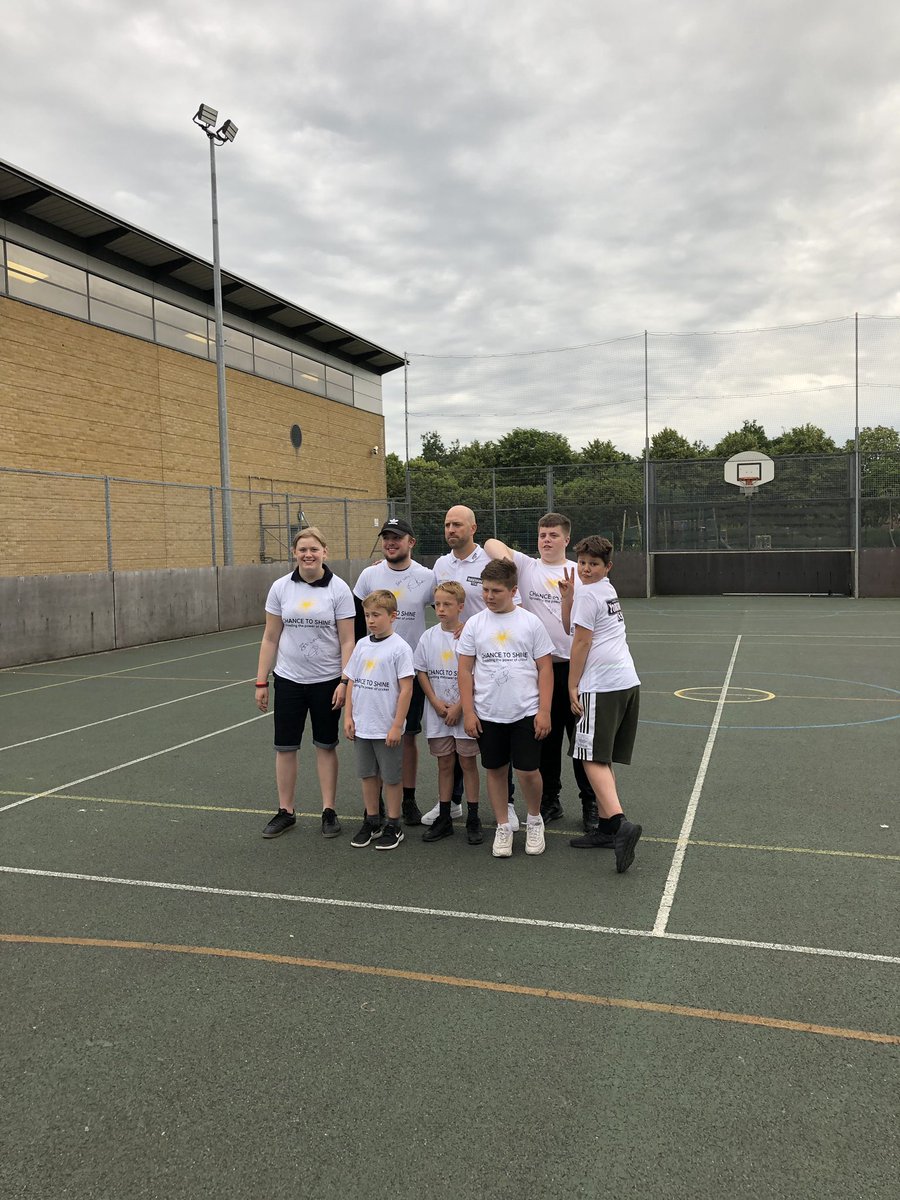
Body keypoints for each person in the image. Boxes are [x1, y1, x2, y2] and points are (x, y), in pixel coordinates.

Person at [484, 512, 601, 834]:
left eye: (553, 535)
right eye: (542, 535)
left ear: (566, 539)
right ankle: (551, 800)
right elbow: (490, 543)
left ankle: (590, 802)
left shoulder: (581, 573)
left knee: (581, 741)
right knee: (545, 739)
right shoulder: (527, 566)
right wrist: (509, 560)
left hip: (578, 670)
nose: (547, 540)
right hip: (542, 669)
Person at [256, 527, 356, 840]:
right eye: (302, 550)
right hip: (288, 681)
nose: (308, 555)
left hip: (327, 682)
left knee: (326, 745)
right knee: (285, 747)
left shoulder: (338, 589)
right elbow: (270, 637)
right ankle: (286, 811)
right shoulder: (281, 588)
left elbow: (348, 640)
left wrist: (344, 680)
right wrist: (262, 681)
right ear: (295, 553)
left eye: (314, 549)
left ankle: (329, 810)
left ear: (325, 552)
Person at [457, 559, 554, 858]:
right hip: (488, 714)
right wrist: (470, 712)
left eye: (495, 591)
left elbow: (545, 669)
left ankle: (534, 819)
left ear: (513, 590)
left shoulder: (530, 622)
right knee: (496, 770)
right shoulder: (475, 624)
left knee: (528, 771)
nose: (488, 596)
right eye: (485, 590)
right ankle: (502, 825)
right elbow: (464, 671)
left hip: (525, 712)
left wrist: (544, 711)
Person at [433, 504, 518, 827]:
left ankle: (506, 802)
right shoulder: (441, 564)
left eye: (457, 524)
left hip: (490, 659)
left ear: (473, 528)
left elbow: (510, 605)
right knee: (453, 734)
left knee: (495, 730)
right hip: (452, 662)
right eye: (446, 524)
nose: (451, 530)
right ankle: (452, 802)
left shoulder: (490, 561)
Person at [563, 535, 642, 874]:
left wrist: (572, 683)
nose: (585, 569)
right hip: (626, 681)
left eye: (593, 564)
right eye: (582, 562)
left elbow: (580, 642)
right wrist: (567, 598)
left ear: (607, 566)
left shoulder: (591, 592)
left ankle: (621, 825)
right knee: (599, 755)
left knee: (589, 756)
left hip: (602, 685)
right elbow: (572, 627)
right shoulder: (605, 590)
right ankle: (609, 827)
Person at [353, 517, 434, 826]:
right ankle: (374, 804)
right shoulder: (369, 574)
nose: (391, 542)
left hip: (408, 672)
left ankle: (407, 798)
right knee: (369, 737)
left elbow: (445, 605)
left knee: (407, 737)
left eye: (397, 537)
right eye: (386, 537)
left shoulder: (427, 577)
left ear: (410, 542)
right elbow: (359, 621)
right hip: (373, 675)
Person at [343, 589, 415, 851]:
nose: (371, 620)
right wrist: (348, 715)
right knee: (367, 775)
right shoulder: (361, 645)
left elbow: (406, 689)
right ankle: (372, 820)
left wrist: (397, 725)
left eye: (376, 615)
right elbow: (352, 681)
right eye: (367, 615)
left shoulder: (400, 648)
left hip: (387, 728)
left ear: (392, 616)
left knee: (392, 778)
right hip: (363, 726)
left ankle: (394, 824)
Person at [413, 580, 483, 845]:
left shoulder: (469, 636)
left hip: (464, 714)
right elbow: (421, 670)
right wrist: (433, 701)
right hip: (438, 714)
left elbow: (476, 675)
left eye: (447, 604)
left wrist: (460, 707)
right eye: (438, 604)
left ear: (461, 607)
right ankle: (445, 816)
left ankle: (473, 817)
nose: (441, 609)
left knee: (467, 764)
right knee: (444, 764)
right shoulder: (428, 637)